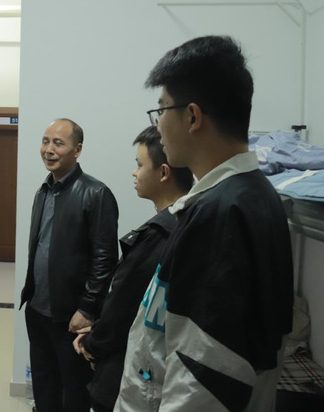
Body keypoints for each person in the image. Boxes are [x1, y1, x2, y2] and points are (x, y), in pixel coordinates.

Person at [115, 35, 294, 411]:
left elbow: (203, 380)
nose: (158, 126)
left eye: (161, 110)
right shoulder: (249, 195)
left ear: (193, 117)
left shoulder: (222, 213)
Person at [72, 126, 193, 412]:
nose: (134, 173)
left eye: (140, 165)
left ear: (163, 173)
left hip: (130, 370)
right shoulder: (190, 220)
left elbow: (124, 306)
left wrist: (92, 343)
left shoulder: (159, 235)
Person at [20, 118, 119, 412]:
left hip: (71, 317)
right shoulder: (43, 191)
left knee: (74, 392)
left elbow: (105, 259)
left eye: (58, 143)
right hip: (37, 310)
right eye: (45, 141)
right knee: (44, 385)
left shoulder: (96, 194)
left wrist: (87, 308)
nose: (49, 149)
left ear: (77, 150)